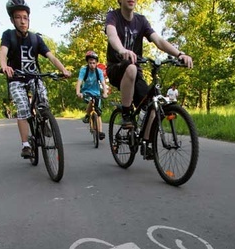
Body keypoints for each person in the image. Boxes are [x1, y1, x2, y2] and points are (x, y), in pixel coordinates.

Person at [105, 0, 193, 158]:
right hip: (116, 69)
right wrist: (122, 50)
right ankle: (126, 114)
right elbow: (112, 35)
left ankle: (146, 143)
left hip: (135, 73)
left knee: (152, 103)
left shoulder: (141, 21)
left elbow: (158, 41)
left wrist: (179, 54)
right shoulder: (113, 16)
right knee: (130, 67)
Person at [0, 0, 71, 159]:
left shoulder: (36, 39)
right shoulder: (8, 35)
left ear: (29, 19)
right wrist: (4, 66)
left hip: (34, 77)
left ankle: (43, 121)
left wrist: (63, 70)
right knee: (23, 107)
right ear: (12, 20)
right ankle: (26, 145)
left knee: (43, 100)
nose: (23, 21)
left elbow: (51, 57)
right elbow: (3, 52)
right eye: (18, 17)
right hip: (16, 78)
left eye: (25, 17)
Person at [76, 50, 108, 140]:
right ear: (87, 63)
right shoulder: (83, 70)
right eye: (90, 63)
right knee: (91, 100)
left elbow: (103, 83)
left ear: (96, 63)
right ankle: (87, 115)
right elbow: (79, 82)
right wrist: (78, 92)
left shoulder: (99, 72)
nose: (92, 65)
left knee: (98, 112)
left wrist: (105, 93)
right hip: (86, 92)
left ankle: (100, 132)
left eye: (94, 63)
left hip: (96, 92)